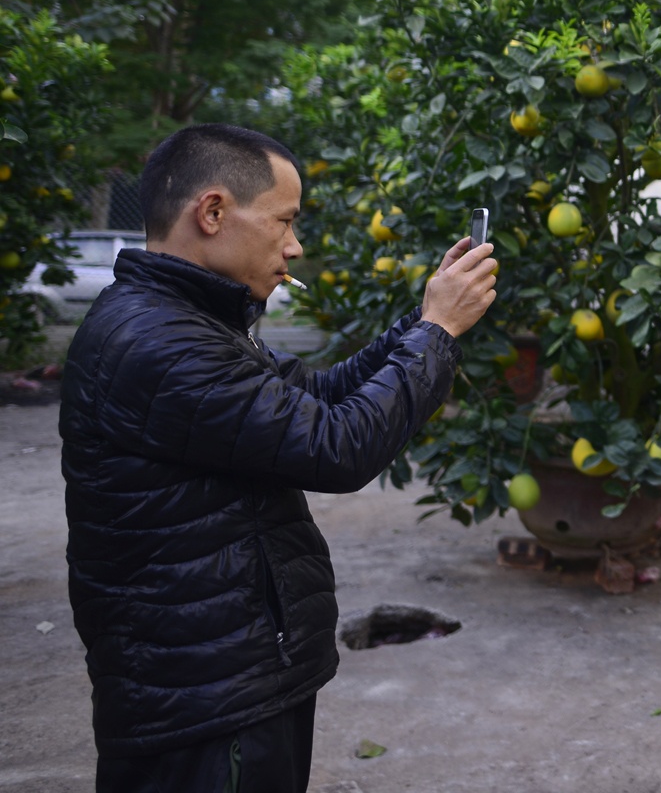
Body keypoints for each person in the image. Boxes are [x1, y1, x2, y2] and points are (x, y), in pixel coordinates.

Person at [60, 124, 498, 792]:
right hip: (206, 700)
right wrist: (437, 334)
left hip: (220, 677)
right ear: (212, 212)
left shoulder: (187, 320)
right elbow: (337, 447)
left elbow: (313, 400)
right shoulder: (161, 343)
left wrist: (422, 323)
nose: (294, 246)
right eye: (285, 221)